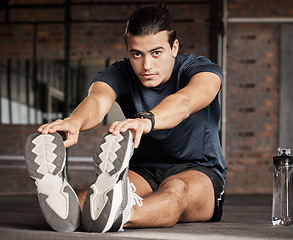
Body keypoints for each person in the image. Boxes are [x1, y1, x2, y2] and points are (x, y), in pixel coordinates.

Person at [24, 2, 227, 233]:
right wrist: (74, 122)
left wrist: (147, 120)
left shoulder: (202, 70)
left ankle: (124, 212)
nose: (146, 65)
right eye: (137, 54)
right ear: (128, 51)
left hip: (200, 170)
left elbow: (185, 103)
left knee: (175, 191)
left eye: (156, 53)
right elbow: (98, 100)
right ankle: (65, 203)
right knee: (91, 199)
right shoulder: (120, 72)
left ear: (174, 47)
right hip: (143, 170)